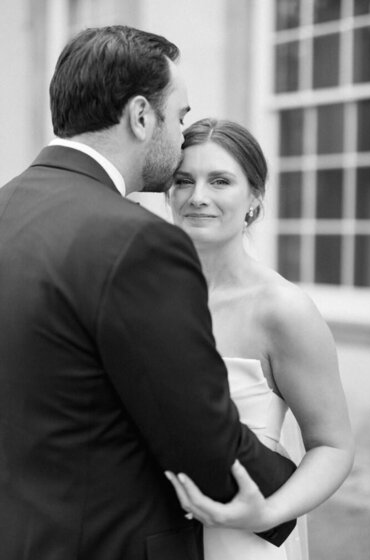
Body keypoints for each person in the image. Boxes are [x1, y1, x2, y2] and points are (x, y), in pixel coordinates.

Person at [0, 27, 298, 560]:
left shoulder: (7, 209)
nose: (182, 135)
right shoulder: (136, 240)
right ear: (141, 116)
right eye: (179, 116)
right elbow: (198, 435)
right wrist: (289, 498)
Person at [167, 118, 355, 560]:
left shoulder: (282, 309)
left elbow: (333, 446)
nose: (199, 197)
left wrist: (267, 513)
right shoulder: (144, 295)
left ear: (254, 198)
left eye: (220, 181)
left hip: (241, 538)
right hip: (150, 528)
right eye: (183, 180)